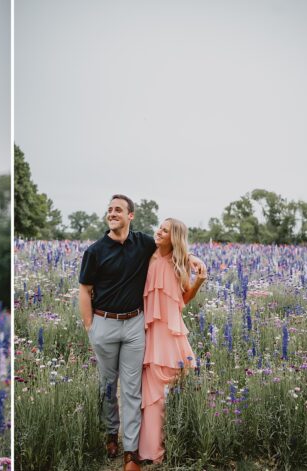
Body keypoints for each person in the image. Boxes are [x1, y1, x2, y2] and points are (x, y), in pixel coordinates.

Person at [78, 194, 205, 471]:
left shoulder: (143, 243)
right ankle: (112, 433)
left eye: (118, 210)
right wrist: (91, 327)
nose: (113, 213)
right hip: (105, 323)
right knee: (108, 386)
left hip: (136, 324)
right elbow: (85, 290)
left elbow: (173, 247)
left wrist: (192, 258)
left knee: (133, 390)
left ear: (130, 216)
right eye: (109, 209)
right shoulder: (95, 251)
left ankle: (130, 452)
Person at [138, 218, 206, 464]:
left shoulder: (180, 264)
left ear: (173, 237)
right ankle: (151, 451)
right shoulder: (148, 255)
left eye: (165, 230)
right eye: (159, 227)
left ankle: (168, 447)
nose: (159, 231)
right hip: (150, 331)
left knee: (168, 392)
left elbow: (183, 301)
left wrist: (197, 280)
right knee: (152, 393)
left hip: (171, 332)